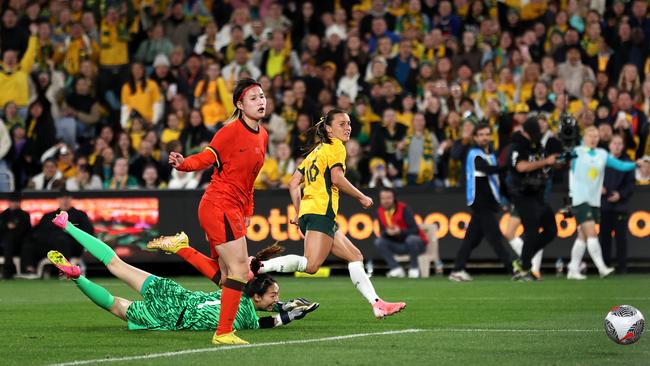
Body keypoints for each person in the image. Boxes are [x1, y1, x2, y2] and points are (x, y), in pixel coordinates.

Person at [47, 211, 318, 332]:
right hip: (172, 316)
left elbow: (267, 309)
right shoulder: (246, 316)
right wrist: (290, 314)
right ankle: (78, 278)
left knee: (117, 264)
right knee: (115, 305)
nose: (276, 299)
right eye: (273, 295)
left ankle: (68, 226)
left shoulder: (231, 288)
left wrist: (285, 307)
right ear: (256, 298)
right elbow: (267, 322)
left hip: (174, 293)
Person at [253, 108, 406, 318]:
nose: (348, 127)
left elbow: (293, 183)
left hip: (312, 213)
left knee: (355, 256)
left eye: (349, 123)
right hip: (321, 212)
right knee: (311, 265)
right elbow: (336, 178)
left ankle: (377, 303)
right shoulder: (336, 148)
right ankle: (259, 266)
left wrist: (299, 213)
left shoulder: (316, 152)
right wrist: (361, 196)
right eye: (342, 124)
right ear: (329, 129)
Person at [167, 78, 267, 345]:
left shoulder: (263, 135)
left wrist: (248, 209)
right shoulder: (230, 131)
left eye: (262, 96)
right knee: (239, 270)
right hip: (218, 205)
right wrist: (183, 163)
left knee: (229, 275)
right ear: (240, 104)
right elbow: (207, 157)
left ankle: (182, 248)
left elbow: (250, 179)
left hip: (232, 207)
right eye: (254, 98)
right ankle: (223, 332)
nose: (261, 101)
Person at [566, 127, 641, 280]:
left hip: (594, 200)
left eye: (596, 136)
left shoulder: (602, 154)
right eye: (590, 136)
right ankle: (602, 268)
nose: (593, 139)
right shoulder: (577, 151)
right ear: (584, 137)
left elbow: (620, 166)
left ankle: (573, 269)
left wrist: (635, 164)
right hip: (580, 199)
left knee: (582, 236)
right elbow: (563, 157)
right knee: (592, 233)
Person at [449, 123, 514, 282]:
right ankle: (514, 270)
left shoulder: (490, 154)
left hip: (487, 202)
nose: (485, 137)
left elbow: (495, 178)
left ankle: (457, 270)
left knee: (472, 239)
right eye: (481, 134)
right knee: (496, 238)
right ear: (476, 137)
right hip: (480, 201)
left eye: (487, 134)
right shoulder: (474, 153)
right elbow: (486, 169)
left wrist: (509, 196)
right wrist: (506, 167)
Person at [509, 117, 559, 281]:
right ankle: (524, 269)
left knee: (551, 230)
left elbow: (544, 164)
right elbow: (521, 166)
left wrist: (556, 162)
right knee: (531, 231)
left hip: (538, 193)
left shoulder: (537, 146)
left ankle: (523, 260)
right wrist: (545, 161)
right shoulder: (517, 146)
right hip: (522, 194)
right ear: (526, 132)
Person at [22, 189, 93, 275]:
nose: (65, 201)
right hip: (49, 246)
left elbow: (88, 231)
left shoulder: (80, 215)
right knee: (28, 244)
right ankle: (29, 270)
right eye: (62, 198)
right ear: (58, 200)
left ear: (71, 199)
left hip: (72, 246)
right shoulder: (49, 216)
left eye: (67, 198)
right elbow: (37, 232)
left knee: (62, 239)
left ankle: (65, 271)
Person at [600, 134, 636, 274]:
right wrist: (600, 188)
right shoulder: (602, 161)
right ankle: (605, 266)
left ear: (623, 146)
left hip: (620, 206)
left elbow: (631, 184)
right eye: (614, 143)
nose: (617, 146)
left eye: (620, 143)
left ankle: (622, 267)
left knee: (621, 238)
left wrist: (620, 194)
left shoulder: (627, 163)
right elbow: (594, 176)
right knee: (605, 238)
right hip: (604, 205)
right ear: (609, 145)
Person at [373, 187, 427, 279]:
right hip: (398, 245)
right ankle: (396, 269)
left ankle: (414, 269)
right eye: (383, 198)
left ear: (394, 198)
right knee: (379, 241)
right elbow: (382, 232)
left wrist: (400, 231)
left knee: (412, 239)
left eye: (388, 198)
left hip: (416, 245)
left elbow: (414, 229)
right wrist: (387, 232)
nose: (386, 201)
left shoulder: (404, 208)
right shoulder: (380, 211)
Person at [0, 192, 31, 279]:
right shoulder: (3, 215)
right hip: (6, 244)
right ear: (9, 202)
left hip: (21, 242)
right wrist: (7, 226)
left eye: (16, 201)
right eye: (13, 201)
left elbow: (27, 230)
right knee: (8, 240)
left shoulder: (25, 215)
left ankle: (25, 270)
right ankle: (7, 271)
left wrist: (13, 229)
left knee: (27, 245)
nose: (14, 203)